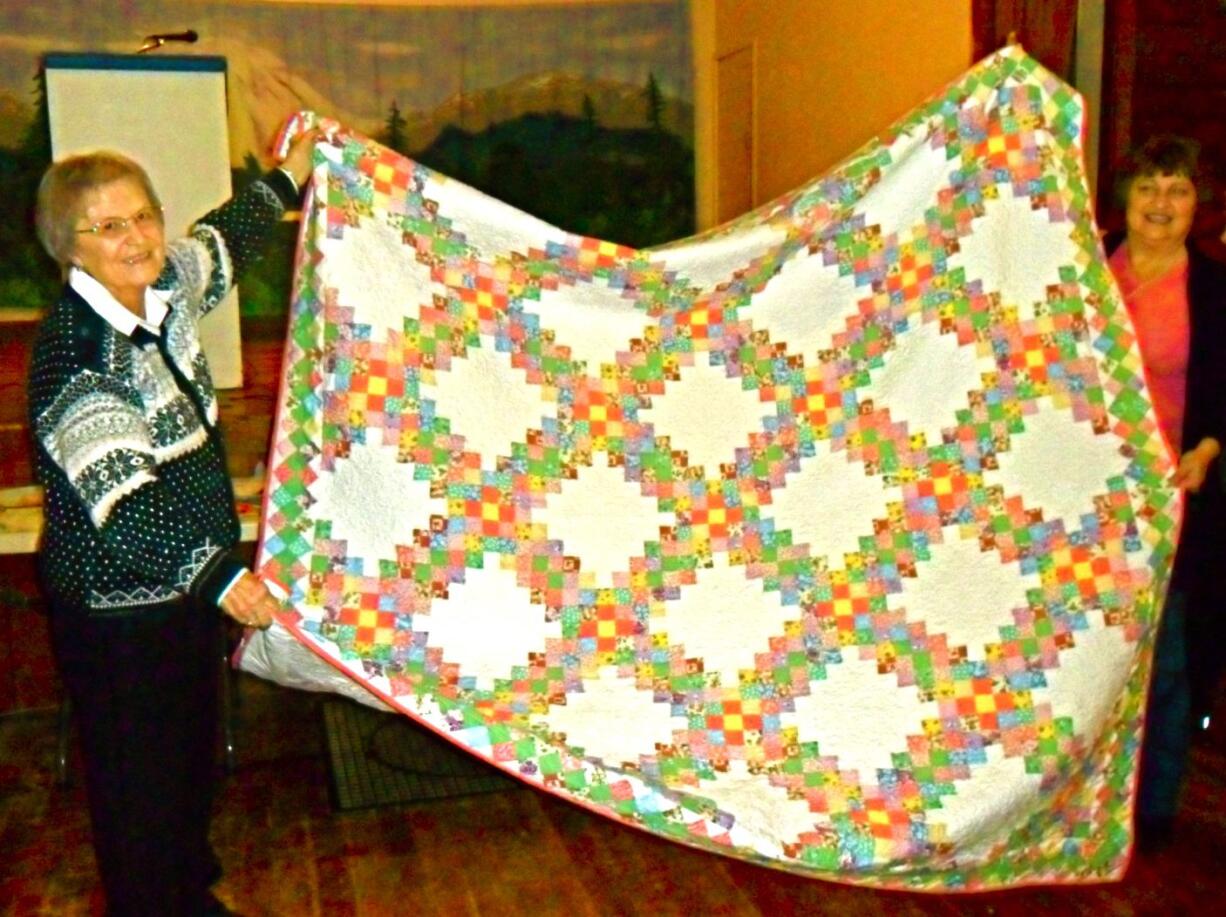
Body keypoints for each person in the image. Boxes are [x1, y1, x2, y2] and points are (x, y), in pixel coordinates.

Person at [26, 128, 318, 916]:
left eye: (144, 215)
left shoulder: (160, 292)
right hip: (120, 611)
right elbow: (124, 499)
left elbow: (221, 243)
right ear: (70, 246)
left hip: (183, 594)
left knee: (188, 764)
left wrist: (291, 174)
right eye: (109, 225)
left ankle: (183, 884)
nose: (139, 236)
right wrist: (222, 575)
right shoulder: (79, 351)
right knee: (139, 785)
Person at [1104, 134, 1226, 849]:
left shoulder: (1214, 291)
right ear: (1125, 195)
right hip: (1081, 495)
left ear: (1197, 204)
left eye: (1177, 189)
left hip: (1170, 494)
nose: (1161, 202)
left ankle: (1150, 808)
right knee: (1078, 645)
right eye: (1148, 186)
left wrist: (1207, 448)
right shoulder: (1084, 268)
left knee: (1168, 653)